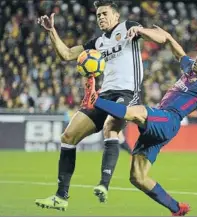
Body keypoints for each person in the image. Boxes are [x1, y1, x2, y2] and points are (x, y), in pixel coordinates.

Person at [84, 25, 197, 216]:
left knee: (138, 112)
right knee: (137, 177)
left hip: (169, 119)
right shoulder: (190, 66)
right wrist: (164, 35)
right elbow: (176, 48)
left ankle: (95, 101)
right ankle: (177, 208)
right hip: (162, 122)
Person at [35, 0, 167, 210]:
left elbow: (162, 38)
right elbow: (67, 54)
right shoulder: (97, 43)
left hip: (128, 93)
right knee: (68, 137)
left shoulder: (127, 28)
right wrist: (52, 31)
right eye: (98, 15)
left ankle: (104, 184)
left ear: (116, 16)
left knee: (110, 126)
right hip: (104, 95)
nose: (101, 18)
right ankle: (61, 196)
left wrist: (140, 29)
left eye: (105, 13)